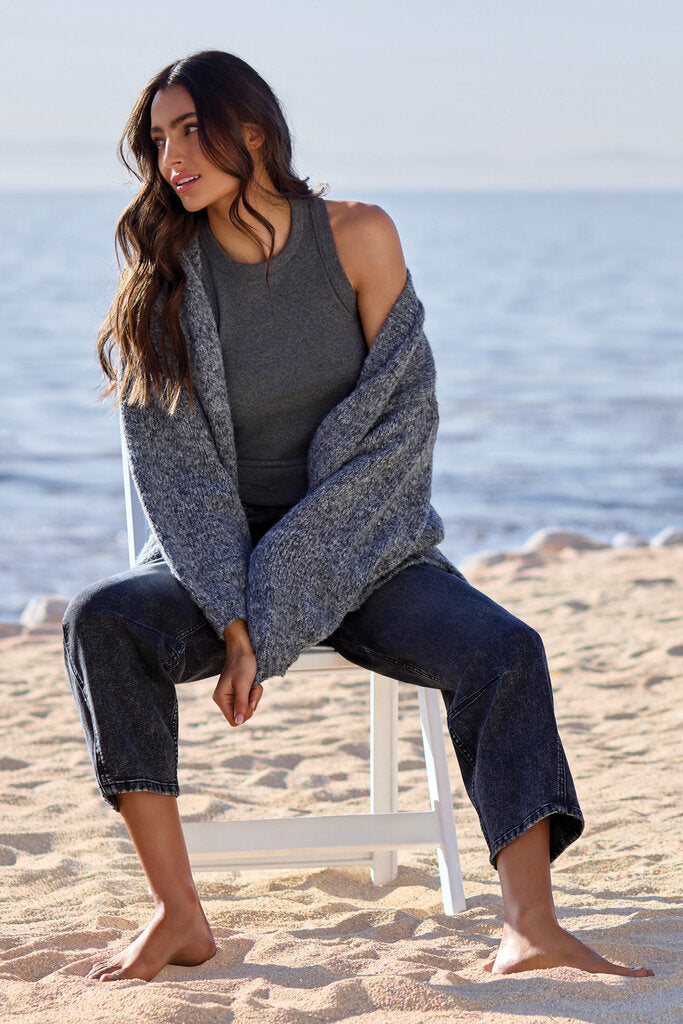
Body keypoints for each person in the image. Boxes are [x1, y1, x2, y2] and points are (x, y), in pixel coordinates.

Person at [61, 49, 653, 984]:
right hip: (214, 572)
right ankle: (178, 914)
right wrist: (237, 619)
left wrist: (275, 608)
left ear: (252, 131)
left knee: (504, 648)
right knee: (101, 619)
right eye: (159, 139)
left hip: (368, 550)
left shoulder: (359, 236)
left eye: (191, 131)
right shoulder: (164, 276)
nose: (171, 158)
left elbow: (399, 432)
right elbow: (176, 481)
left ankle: (531, 923)